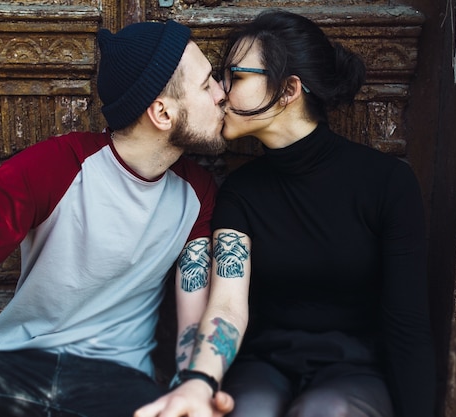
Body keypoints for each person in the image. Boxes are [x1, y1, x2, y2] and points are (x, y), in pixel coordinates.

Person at [0, 19, 234, 417]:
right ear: (161, 113)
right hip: (15, 373)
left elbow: (192, 325)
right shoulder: (54, 167)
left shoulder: (197, 194)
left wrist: (192, 390)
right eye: (207, 83)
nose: (222, 94)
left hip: (116, 386)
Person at [136, 10, 436, 417]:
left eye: (235, 77)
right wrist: (200, 382)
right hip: (262, 367)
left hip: (355, 373)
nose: (221, 93)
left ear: (288, 89)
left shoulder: (387, 184)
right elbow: (226, 304)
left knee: (327, 411)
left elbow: (408, 325)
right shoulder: (241, 192)